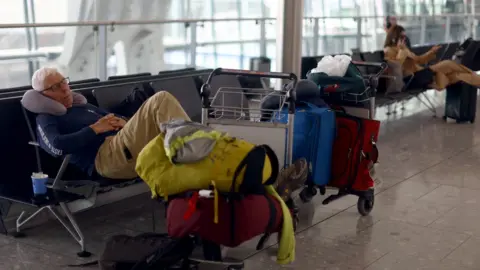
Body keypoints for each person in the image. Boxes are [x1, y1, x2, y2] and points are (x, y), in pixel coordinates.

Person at [32, 67, 190, 180]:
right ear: (43, 95)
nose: (65, 89)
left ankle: (192, 148)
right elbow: (56, 146)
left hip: (123, 145)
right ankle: (191, 148)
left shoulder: (82, 106)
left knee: (163, 114)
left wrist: (125, 122)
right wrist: (94, 129)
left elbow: (112, 118)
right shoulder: (46, 118)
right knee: (160, 99)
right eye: (56, 87)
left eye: (64, 82)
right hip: (106, 158)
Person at [383, 25, 480, 90]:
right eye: (402, 37)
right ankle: (440, 83)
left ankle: (441, 83)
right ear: (393, 37)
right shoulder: (388, 50)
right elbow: (395, 67)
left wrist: (431, 52)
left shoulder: (403, 48)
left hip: (421, 74)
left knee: (457, 75)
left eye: (404, 37)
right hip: (411, 79)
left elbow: (419, 60)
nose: (404, 39)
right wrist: (401, 51)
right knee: (448, 64)